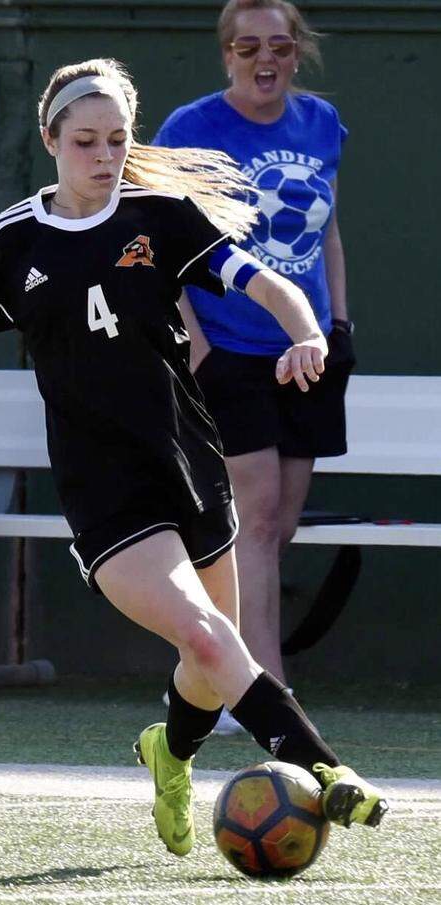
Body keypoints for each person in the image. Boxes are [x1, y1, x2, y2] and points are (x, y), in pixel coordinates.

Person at [0, 57, 387, 856]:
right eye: (85, 141)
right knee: (209, 637)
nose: (104, 156)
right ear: (49, 140)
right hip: (104, 489)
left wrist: (307, 332)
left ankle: (169, 750)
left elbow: (267, 284)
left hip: (190, 463)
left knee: (208, 658)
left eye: (117, 139)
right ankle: (328, 768)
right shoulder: (7, 242)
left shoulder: (164, 217)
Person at [152, 0, 355, 720]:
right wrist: (198, 346)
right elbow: (161, 246)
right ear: (226, 55)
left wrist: (337, 321)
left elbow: (328, 231)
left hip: (306, 347)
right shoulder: (191, 129)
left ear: (298, 51)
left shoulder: (322, 123)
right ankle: (265, 690)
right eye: (247, 48)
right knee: (257, 520)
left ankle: (224, 672)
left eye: (279, 45)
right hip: (229, 346)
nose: (264, 60)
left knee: (278, 524)